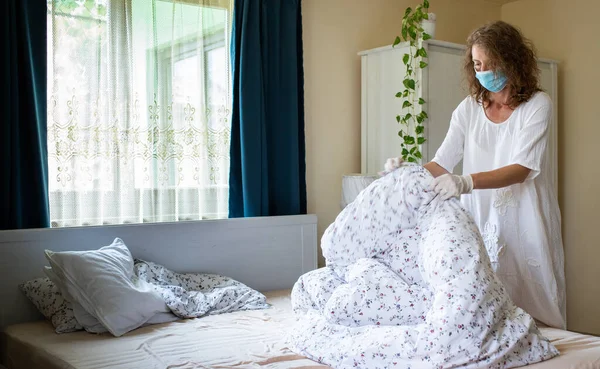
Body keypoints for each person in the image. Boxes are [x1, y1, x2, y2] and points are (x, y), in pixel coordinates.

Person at [383, 21, 565, 329]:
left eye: (491, 64)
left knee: (533, 303)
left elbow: (522, 168)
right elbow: (442, 163)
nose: (483, 71)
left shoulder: (537, 106)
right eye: (478, 64)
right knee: (484, 307)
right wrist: (406, 172)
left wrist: (466, 182)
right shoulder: (469, 108)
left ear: (512, 61)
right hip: (480, 216)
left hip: (524, 218)